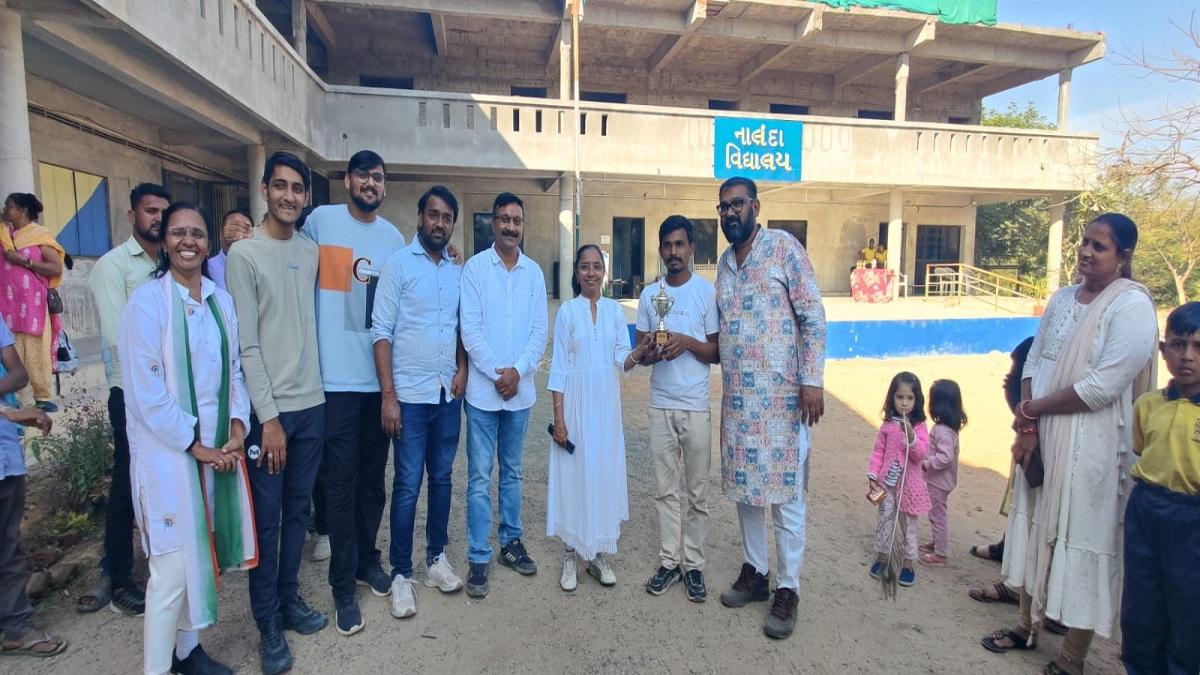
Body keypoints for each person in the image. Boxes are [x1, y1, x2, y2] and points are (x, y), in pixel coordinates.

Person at [981, 213, 1158, 675]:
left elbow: (1102, 387)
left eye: (1100, 246)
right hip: (1041, 437)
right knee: (1036, 524)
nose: (1086, 251)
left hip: (1093, 446)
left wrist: (1035, 411)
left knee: (1083, 537)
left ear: (1123, 256)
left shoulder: (1131, 307)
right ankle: (1024, 626)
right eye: (1084, 241)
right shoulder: (1061, 298)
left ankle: (1072, 656)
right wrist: (1028, 426)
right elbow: (1034, 361)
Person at [119, 203, 256, 675]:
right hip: (167, 458)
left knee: (202, 553)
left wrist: (238, 426)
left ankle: (187, 652)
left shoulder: (220, 299)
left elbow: (234, 369)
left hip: (216, 450)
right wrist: (195, 445)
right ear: (164, 239)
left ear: (209, 241)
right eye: (178, 232)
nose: (188, 241)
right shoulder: (147, 302)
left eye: (196, 233)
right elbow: (146, 393)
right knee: (171, 572)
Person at [226, 151, 326, 675]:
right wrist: (268, 418)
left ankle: (289, 602)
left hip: (313, 405)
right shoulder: (245, 255)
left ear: (306, 197)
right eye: (280, 186)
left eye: (298, 189)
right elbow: (248, 346)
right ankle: (266, 622)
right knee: (266, 524)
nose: (289, 196)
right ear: (265, 189)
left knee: (298, 514)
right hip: (274, 416)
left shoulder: (310, 252)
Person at [714, 176, 826, 640]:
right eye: (723, 208)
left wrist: (812, 380)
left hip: (782, 405)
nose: (730, 214)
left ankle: (788, 587)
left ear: (755, 207)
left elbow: (813, 314)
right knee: (746, 493)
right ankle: (756, 572)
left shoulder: (783, 248)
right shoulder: (722, 265)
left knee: (786, 498)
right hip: (739, 404)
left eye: (737, 205)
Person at [302, 150, 404, 635]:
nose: (370, 183)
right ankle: (342, 586)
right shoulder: (320, 222)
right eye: (362, 175)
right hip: (335, 383)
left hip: (377, 383)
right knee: (339, 487)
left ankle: (367, 560)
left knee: (371, 482)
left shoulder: (393, 239)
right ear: (347, 180)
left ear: (384, 187)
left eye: (378, 177)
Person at [371, 185, 467, 621]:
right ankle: (399, 575)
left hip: (446, 396)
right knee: (407, 485)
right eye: (434, 215)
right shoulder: (397, 266)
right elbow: (381, 332)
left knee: (442, 479)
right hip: (408, 398)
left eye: (447, 217)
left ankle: (435, 561)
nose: (440, 223)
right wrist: (388, 397)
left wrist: (462, 368)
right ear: (420, 217)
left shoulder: (455, 269)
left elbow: (460, 324)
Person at [82, 182, 171, 617]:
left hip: (174, 394)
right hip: (132, 395)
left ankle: (171, 563)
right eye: (150, 211)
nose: (157, 218)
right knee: (128, 485)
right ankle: (119, 578)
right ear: (132, 215)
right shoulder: (113, 267)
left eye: (162, 212)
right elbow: (122, 341)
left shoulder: (172, 264)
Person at [459, 192, 548, 598]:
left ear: (522, 225)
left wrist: (518, 372)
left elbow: (538, 332)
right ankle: (479, 554)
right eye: (504, 219)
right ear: (492, 224)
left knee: (512, 472)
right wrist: (499, 372)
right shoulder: (476, 269)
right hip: (482, 393)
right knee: (479, 477)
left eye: (517, 220)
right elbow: (470, 328)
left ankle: (511, 542)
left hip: (520, 394)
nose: (511, 226)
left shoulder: (533, 273)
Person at [548, 245, 646, 592]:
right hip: (574, 405)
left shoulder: (615, 313)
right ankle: (572, 554)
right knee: (575, 476)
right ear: (576, 273)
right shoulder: (567, 312)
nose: (590, 273)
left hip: (605, 406)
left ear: (604, 272)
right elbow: (558, 368)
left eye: (596, 267)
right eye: (584, 267)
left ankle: (599, 553)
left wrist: (640, 351)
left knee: (602, 474)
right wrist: (559, 419)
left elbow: (622, 358)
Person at [634, 215, 719, 601]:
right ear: (660, 250)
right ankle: (669, 562)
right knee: (665, 491)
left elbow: (716, 352)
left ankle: (694, 565)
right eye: (667, 245)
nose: (673, 252)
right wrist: (651, 350)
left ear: (691, 249)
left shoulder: (706, 293)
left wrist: (686, 342)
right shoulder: (650, 297)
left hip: (696, 407)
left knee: (698, 493)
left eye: (680, 245)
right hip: (661, 406)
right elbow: (642, 356)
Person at [1121, 301, 1200, 675]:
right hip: (1147, 509)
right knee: (1140, 611)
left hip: (1193, 519)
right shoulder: (1147, 405)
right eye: (1178, 344)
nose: (1187, 356)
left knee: (1189, 615)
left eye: (1199, 347)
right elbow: (1141, 449)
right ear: (1163, 349)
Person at [0, 326, 61, 659]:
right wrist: (9, 411)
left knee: (9, 548)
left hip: (5, 455)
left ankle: (16, 627)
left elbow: (19, 373)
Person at [0, 193, 64, 412]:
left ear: (22, 210)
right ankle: (17, 397)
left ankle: (42, 395)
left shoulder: (39, 235)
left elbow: (56, 268)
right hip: (7, 303)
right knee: (11, 347)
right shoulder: (4, 234)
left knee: (35, 347)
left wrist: (24, 261)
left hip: (34, 303)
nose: (5, 210)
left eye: (9, 207)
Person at [866, 372, 930, 587]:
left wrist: (911, 436)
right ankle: (883, 557)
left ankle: (908, 563)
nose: (904, 402)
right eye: (900, 397)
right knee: (885, 521)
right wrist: (873, 476)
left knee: (908, 525)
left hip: (909, 486)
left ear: (917, 400)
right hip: (887, 485)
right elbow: (878, 452)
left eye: (909, 398)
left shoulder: (920, 427)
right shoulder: (887, 426)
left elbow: (920, 455)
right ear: (891, 398)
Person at [918, 379, 967, 567]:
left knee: (938, 515)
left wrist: (927, 464)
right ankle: (937, 543)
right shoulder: (947, 429)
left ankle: (941, 553)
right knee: (935, 514)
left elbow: (944, 457)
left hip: (939, 482)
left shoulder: (943, 431)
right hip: (938, 481)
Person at [206, 210, 252, 291]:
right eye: (232, 229)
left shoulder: (260, 269)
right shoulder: (207, 270)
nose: (238, 235)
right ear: (221, 234)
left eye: (244, 230)